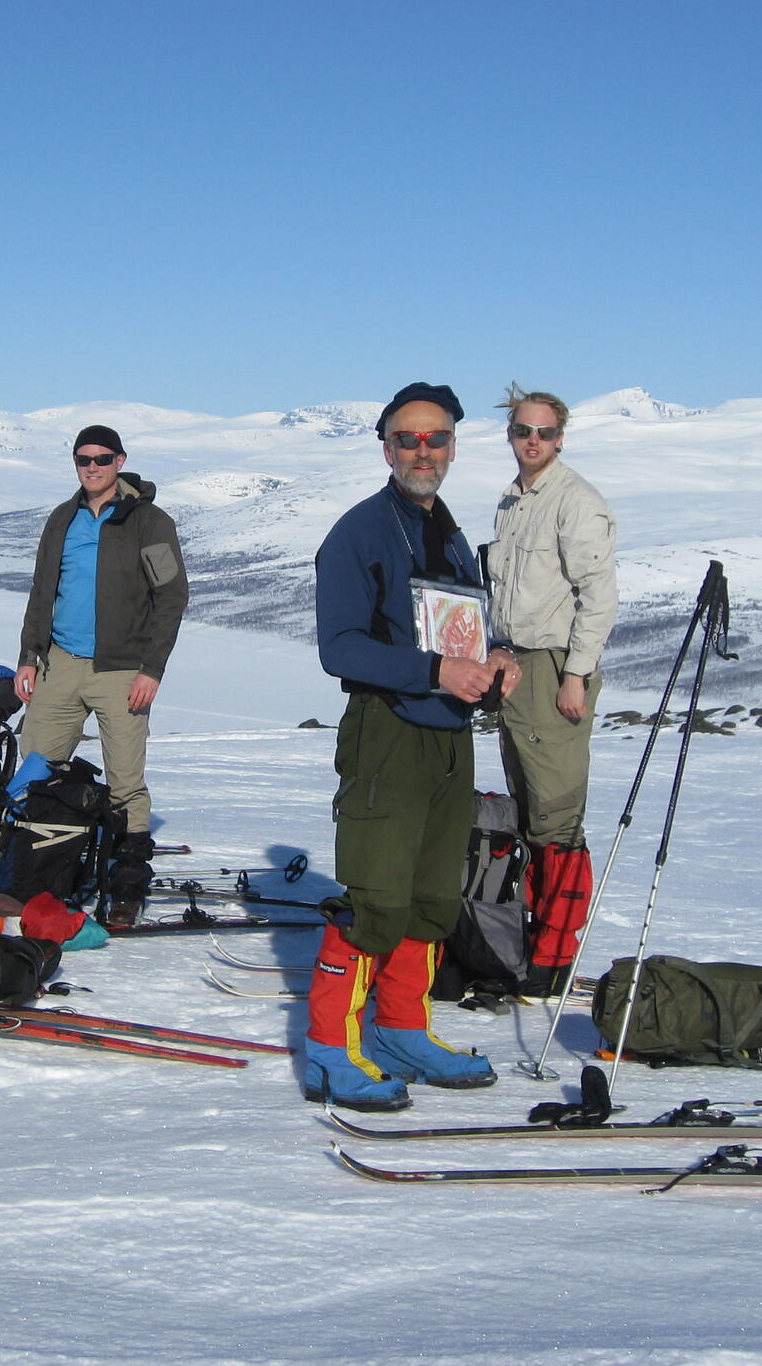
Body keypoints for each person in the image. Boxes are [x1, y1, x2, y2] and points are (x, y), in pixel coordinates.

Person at [304, 382, 521, 1111]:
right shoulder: (359, 533)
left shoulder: (448, 532)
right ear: (386, 447)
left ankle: (402, 1031)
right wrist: (436, 672)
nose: (423, 451)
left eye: (436, 438)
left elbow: (465, 628)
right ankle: (329, 1051)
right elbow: (339, 647)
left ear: (453, 446)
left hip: (450, 735)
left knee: (430, 900)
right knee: (375, 898)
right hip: (388, 733)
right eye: (408, 438)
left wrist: (496, 658)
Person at [13, 425, 189, 928]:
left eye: (102, 458)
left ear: (120, 461)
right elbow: (41, 591)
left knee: (125, 783)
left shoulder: (147, 521)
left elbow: (171, 596)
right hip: (61, 662)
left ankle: (126, 884)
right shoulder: (62, 518)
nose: (92, 467)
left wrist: (151, 669)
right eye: (83, 459)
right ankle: (42, 872)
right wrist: (29, 655)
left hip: (122, 669)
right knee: (36, 768)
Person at [488, 383, 618, 995]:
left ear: (560, 438)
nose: (532, 440)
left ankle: (554, 955)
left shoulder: (575, 501)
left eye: (543, 432)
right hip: (516, 664)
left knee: (556, 815)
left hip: (556, 665)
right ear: (510, 435)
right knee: (527, 806)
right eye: (523, 430)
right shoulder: (514, 500)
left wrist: (575, 674)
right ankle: (530, 935)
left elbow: (599, 594)